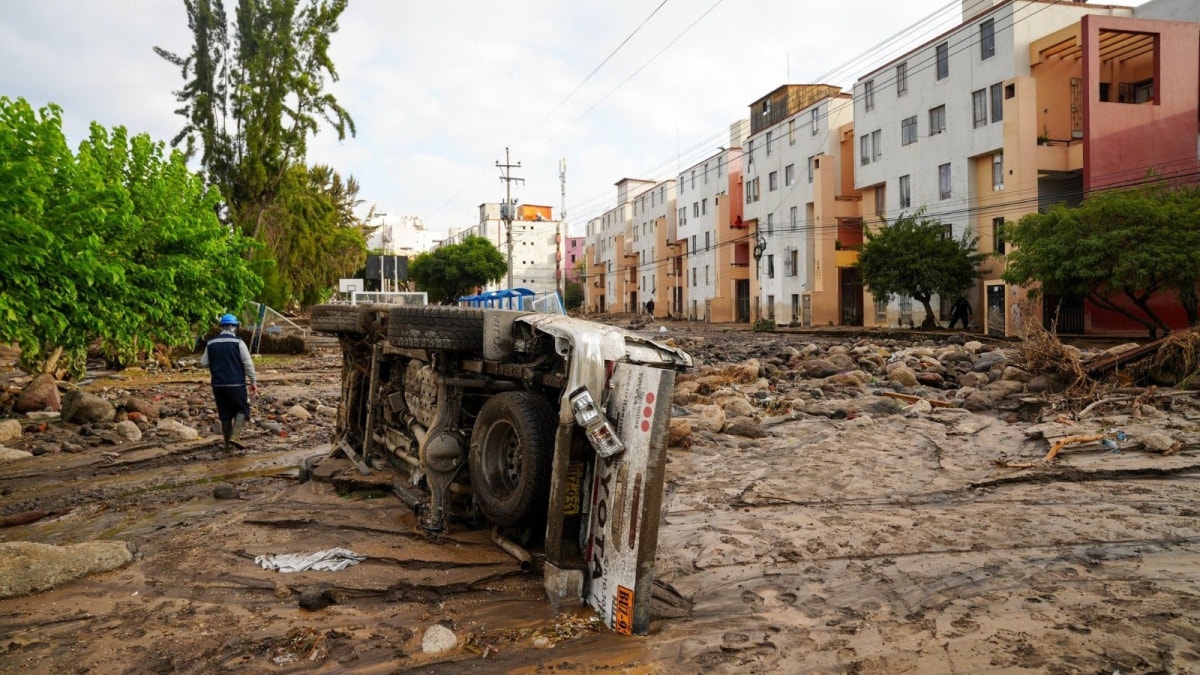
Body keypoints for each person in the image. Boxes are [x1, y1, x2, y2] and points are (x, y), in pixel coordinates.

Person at [201, 313, 258, 450]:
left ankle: (227, 446)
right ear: (234, 327)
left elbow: (203, 363)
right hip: (236, 383)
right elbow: (248, 364)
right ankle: (235, 436)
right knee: (243, 409)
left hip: (218, 384)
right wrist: (253, 381)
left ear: (222, 327)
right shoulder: (238, 342)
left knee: (225, 414)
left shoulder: (211, 343)